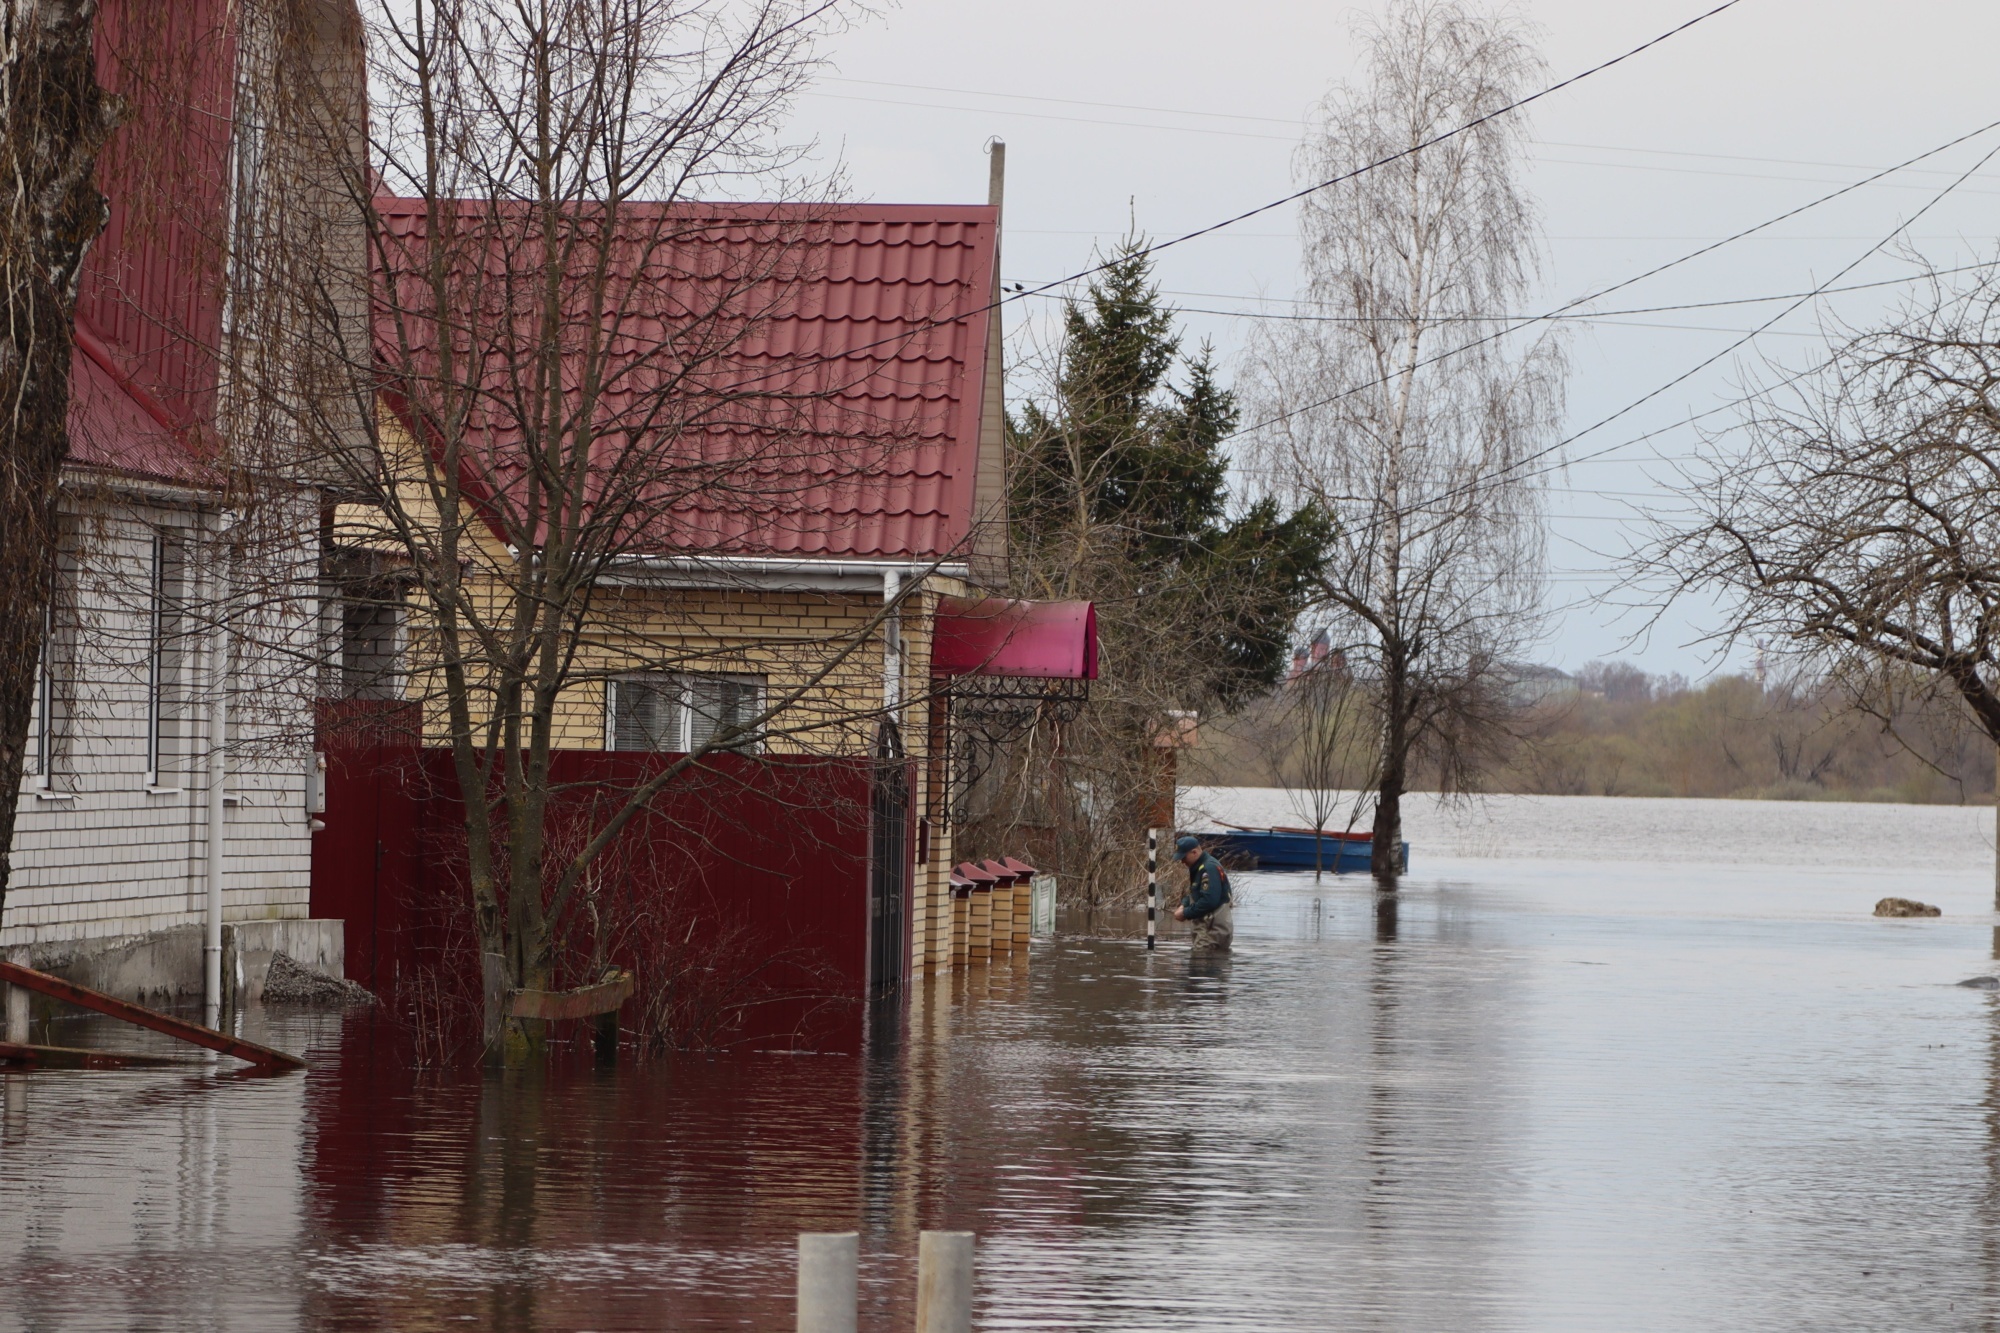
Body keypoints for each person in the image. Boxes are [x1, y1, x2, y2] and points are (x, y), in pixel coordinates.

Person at [1171, 835, 1233, 952]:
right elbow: (1197, 894)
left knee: (1202, 963)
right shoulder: (1201, 867)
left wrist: (1185, 913)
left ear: (1194, 852)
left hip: (1211, 933)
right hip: (1208, 931)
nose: (1182, 861)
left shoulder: (1208, 868)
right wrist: (1184, 904)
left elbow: (1209, 901)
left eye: (1184, 857)